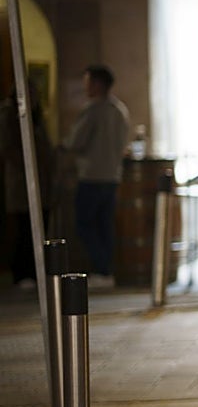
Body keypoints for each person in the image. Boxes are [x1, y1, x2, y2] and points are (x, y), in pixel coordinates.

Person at [65, 64, 129, 288]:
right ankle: (106, 271)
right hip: (112, 176)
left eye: (88, 82)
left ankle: (101, 269)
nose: (86, 87)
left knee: (84, 224)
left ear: (98, 84)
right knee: (105, 226)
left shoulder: (92, 110)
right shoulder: (120, 110)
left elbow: (76, 141)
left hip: (91, 176)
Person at [1, 85, 55, 289]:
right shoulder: (8, 117)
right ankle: (22, 273)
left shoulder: (38, 118)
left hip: (42, 185)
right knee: (24, 230)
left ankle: (35, 272)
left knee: (40, 229)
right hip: (22, 184)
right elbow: (9, 150)